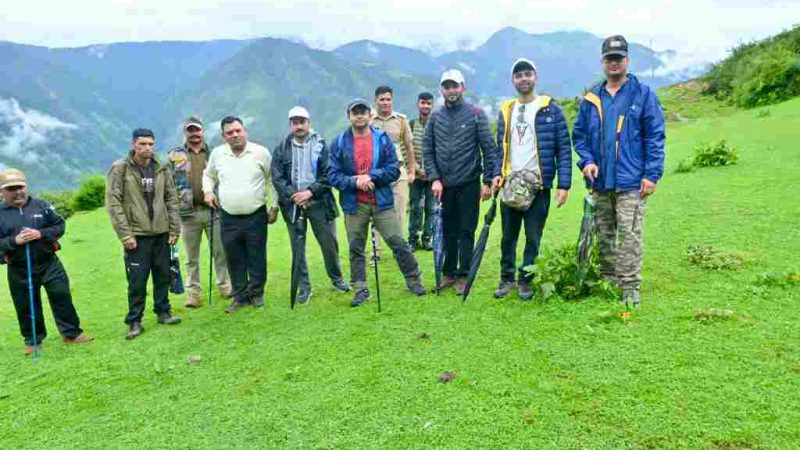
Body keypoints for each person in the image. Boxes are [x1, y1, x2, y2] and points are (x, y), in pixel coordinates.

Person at [572, 35, 666, 307]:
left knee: (630, 234)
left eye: (619, 58)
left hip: (632, 180)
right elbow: (579, 136)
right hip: (600, 181)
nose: (614, 63)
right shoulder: (591, 98)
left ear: (627, 60)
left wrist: (652, 174)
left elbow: (655, 136)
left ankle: (630, 286)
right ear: (603, 62)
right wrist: (586, 161)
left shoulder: (642, 94)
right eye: (609, 58)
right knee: (604, 233)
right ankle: (608, 278)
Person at [328, 99, 426, 307]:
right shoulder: (338, 143)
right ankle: (360, 289)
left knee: (398, 242)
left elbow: (393, 168)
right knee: (356, 247)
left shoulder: (381, 139)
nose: (360, 116)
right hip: (354, 204)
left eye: (363, 111)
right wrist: (355, 181)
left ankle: (413, 279)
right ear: (349, 116)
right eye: (355, 112)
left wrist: (372, 177)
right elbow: (333, 176)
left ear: (369, 114)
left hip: (381, 201)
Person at [493, 58, 572, 300]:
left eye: (527, 74)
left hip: (539, 185)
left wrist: (563, 185)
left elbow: (563, 148)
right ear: (513, 80)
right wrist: (496, 173)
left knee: (533, 236)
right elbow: (500, 148)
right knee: (508, 237)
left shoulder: (550, 109)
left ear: (535, 76)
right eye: (518, 75)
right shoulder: (507, 111)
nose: (523, 79)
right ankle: (506, 279)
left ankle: (525, 280)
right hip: (511, 184)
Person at [422, 69, 501, 295]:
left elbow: (488, 148)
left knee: (467, 230)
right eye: (447, 87)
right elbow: (428, 150)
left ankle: (464, 274)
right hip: (443, 186)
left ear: (462, 88)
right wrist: (435, 179)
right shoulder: (435, 117)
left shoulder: (476, 114)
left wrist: (486, 181)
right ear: (442, 90)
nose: (451, 90)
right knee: (447, 231)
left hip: (468, 182)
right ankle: (448, 272)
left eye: (455, 86)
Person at [0, 169, 92, 355]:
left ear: (26, 186)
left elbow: (59, 225)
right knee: (26, 304)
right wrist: (14, 241)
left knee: (61, 295)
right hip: (19, 269)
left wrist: (40, 234)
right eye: (12, 189)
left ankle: (71, 334)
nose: (18, 192)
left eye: (21, 187)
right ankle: (32, 340)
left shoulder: (42, 205)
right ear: (2, 192)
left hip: (49, 263)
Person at [106, 128, 182, 340]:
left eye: (150, 144)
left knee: (163, 274)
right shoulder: (120, 169)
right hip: (136, 235)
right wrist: (125, 235)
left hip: (161, 232)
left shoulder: (161, 167)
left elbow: (171, 199)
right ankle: (135, 321)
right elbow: (114, 202)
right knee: (137, 280)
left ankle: (163, 312)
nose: (147, 148)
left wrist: (175, 229)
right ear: (133, 145)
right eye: (142, 144)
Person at [271, 106, 350, 304]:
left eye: (302, 122)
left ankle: (337, 278)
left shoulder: (321, 145)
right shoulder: (281, 148)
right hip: (293, 205)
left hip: (319, 203)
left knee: (329, 244)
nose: (299, 126)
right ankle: (304, 287)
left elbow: (328, 175)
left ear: (309, 123)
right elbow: (277, 178)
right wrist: (295, 196)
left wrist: (309, 193)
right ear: (290, 125)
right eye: (295, 122)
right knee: (298, 247)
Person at [203, 116, 279, 313]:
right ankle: (239, 296)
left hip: (256, 214)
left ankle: (256, 293)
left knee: (256, 254)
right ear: (223, 136)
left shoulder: (260, 152)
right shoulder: (218, 154)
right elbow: (208, 175)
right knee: (233, 256)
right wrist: (208, 191)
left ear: (244, 131)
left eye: (238, 131)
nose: (235, 135)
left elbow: (271, 180)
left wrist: (274, 206)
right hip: (228, 215)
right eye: (230, 133)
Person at [167, 116, 232, 308]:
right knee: (191, 256)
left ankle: (225, 285)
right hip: (188, 214)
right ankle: (193, 293)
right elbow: (168, 185)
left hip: (214, 210)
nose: (194, 134)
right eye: (190, 131)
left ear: (203, 131)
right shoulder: (175, 155)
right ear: (185, 133)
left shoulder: (216, 153)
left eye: (197, 130)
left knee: (220, 252)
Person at [408, 92, 435, 251]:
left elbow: (440, 149)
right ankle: (412, 240)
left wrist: (431, 171)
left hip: (432, 176)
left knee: (431, 209)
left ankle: (427, 239)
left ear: (432, 105)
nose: (425, 106)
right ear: (418, 104)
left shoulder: (436, 124)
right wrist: (417, 169)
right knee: (415, 208)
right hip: (416, 175)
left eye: (428, 103)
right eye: (423, 103)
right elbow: (407, 149)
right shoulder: (411, 124)